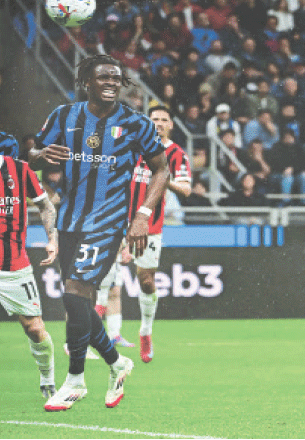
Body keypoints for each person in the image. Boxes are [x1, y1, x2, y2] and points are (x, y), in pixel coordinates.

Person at [29, 55, 169, 411]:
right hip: (70, 220)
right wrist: (41, 153)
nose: (111, 81)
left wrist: (142, 215)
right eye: (103, 76)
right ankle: (117, 363)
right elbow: (31, 152)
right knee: (79, 303)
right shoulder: (65, 115)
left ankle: (75, 380)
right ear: (86, 82)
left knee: (75, 293)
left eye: (116, 78)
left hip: (108, 222)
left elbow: (161, 170)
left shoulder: (136, 123)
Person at [95, 106, 192, 363]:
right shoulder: (132, 145)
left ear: (171, 124)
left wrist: (163, 178)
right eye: (154, 119)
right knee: (102, 276)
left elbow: (186, 190)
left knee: (146, 280)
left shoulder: (176, 154)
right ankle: (91, 335)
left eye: (163, 119)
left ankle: (145, 331)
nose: (158, 123)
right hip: (117, 220)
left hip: (150, 223)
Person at [0, 134, 59, 399]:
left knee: (34, 328)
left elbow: (46, 206)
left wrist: (52, 238)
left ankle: (47, 379)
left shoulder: (20, 171)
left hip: (13, 265)